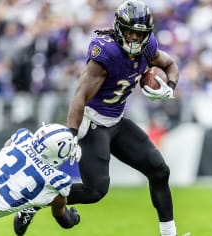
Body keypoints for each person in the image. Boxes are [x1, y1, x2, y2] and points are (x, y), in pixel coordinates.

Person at [14, 1, 184, 236]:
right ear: (118, 29)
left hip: (116, 120)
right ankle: (34, 198)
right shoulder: (107, 52)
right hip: (92, 124)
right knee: (95, 191)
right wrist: (71, 135)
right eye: (130, 32)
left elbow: (170, 64)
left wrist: (170, 86)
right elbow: (80, 96)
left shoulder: (148, 47)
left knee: (159, 170)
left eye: (140, 34)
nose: (134, 38)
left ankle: (169, 235)